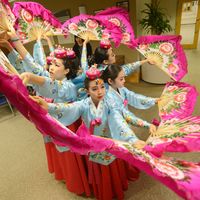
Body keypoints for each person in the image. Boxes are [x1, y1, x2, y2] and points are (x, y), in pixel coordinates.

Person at [34, 68, 153, 200]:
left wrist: (134, 138)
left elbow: (121, 121)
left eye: (102, 87)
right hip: (93, 146)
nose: (100, 91)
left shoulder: (110, 104)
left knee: (111, 170)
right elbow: (67, 108)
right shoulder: (83, 105)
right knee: (99, 171)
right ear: (87, 91)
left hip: (109, 144)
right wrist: (48, 106)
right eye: (94, 89)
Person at [102, 64, 158, 134]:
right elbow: (125, 115)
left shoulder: (121, 88)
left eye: (124, 78)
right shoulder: (109, 98)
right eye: (121, 79)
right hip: (116, 126)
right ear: (110, 81)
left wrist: (153, 100)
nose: (124, 81)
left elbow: (133, 97)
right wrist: (147, 125)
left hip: (125, 121)